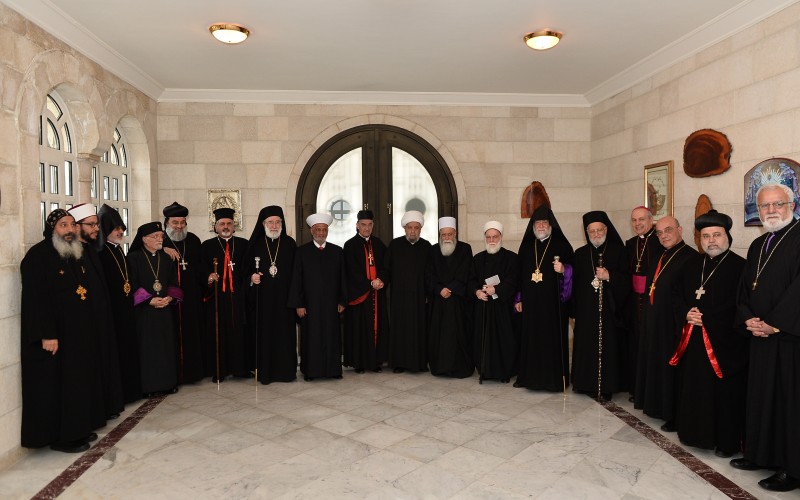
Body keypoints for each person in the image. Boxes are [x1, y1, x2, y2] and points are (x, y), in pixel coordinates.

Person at [731, 183, 800, 492]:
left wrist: (775, 324)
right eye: (764, 206)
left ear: (792, 204)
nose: (771, 211)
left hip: (789, 339)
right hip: (760, 337)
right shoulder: (759, 245)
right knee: (761, 398)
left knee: (788, 404)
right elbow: (745, 289)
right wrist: (748, 318)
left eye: (777, 204)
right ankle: (760, 453)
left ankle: (792, 468)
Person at [21, 209, 107, 453]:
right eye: (63, 225)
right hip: (55, 337)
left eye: (71, 224)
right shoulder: (38, 256)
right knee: (59, 387)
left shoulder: (74, 253)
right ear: (52, 229)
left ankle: (77, 428)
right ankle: (62, 437)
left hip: (78, 335)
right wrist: (47, 334)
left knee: (77, 384)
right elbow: (35, 301)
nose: (69, 230)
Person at [669, 210, 746, 457]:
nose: (711, 240)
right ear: (699, 239)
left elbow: (740, 304)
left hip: (724, 344)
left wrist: (707, 318)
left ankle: (725, 442)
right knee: (694, 388)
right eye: (706, 236)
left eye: (716, 235)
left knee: (723, 394)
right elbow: (676, 295)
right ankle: (693, 434)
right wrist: (686, 313)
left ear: (727, 237)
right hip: (693, 340)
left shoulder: (740, 267)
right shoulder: (691, 264)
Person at [635, 215, 695, 431]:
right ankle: (656, 406)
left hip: (673, 326)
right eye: (659, 233)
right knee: (655, 364)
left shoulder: (690, 258)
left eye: (668, 230)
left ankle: (673, 413)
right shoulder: (661, 255)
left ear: (679, 229)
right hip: (654, 322)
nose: (663, 236)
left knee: (671, 371)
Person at [68, 203, 124, 419]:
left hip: (101, 319)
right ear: (77, 226)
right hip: (85, 322)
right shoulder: (71, 253)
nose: (96, 229)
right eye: (91, 225)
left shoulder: (92, 250)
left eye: (97, 225)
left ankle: (106, 407)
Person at [570, 211, 630, 400]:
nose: (596, 234)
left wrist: (610, 276)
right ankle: (584, 383)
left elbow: (627, 281)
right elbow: (573, 284)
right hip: (586, 310)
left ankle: (606, 386)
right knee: (585, 344)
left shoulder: (619, 251)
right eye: (592, 231)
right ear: (587, 233)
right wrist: (573, 311)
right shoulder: (580, 254)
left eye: (599, 230)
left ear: (606, 229)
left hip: (610, 311)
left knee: (608, 347)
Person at [515, 205, 574, 391]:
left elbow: (574, 272)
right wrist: (518, 298)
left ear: (551, 225)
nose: (541, 226)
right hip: (531, 305)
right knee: (529, 339)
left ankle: (555, 380)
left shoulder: (562, 246)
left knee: (552, 341)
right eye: (537, 222)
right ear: (533, 225)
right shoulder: (525, 247)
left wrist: (564, 270)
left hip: (553, 305)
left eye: (544, 223)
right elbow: (519, 277)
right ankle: (527, 378)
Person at [288, 213, 346, 381]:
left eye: (324, 229)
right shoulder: (301, 252)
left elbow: (343, 278)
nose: (321, 233)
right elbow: (296, 280)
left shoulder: (337, 251)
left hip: (331, 305)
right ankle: (311, 371)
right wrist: (298, 304)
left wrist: (343, 300)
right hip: (309, 305)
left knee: (332, 336)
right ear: (311, 231)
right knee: (311, 338)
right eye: (318, 229)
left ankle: (334, 370)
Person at [128, 222, 183, 397]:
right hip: (146, 312)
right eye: (156, 236)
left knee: (167, 346)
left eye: (161, 236)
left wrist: (170, 297)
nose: (160, 239)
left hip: (165, 310)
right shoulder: (133, 258)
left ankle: (169, 382)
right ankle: (150, 386)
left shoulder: (166, 258)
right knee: (148, 348)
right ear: (144, 239)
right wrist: (149, 300)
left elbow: (174, 282)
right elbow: (131, 284)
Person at [245, 206, 298, 384]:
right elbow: (245, 272)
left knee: (285, 336)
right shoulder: (255, 244)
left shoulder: (290, 244)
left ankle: (286, 373)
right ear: (263, 224)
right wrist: (252, 277)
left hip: (285, 301)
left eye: (278, 222)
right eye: (270, 222)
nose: (274, 226)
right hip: (263, 301)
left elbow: (297, 274)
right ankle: (265, 373)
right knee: (265, 335)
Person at [97, 203, 141, 404]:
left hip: (126, 310)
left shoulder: (118, 250)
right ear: (106, 230)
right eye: (116, 229)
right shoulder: (99, 253)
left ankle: (130, 392)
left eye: (122, 228)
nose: (120, 232)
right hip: (112, 312)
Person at [201, 207, 249, 381]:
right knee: (218, 333)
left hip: (238, 297)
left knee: (239, 332)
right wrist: (209, 276)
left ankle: (240, 369)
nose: (226, 226)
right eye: (222, 224)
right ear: (216, 227)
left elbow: (248, 268)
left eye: (229, 223)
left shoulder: (244, 244)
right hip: (217, 299)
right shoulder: (207, 246)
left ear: (234, 226)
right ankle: (219, 370)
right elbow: (200, 269)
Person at [469, 220, 519, 383]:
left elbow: (514, 280)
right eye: (489, 237)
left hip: (502, 309)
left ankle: (504, 371)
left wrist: (496, 290)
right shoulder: (477, 259)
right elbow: (470, 279)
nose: (492, 240)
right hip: (483, 307)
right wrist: (477, 291)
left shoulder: (511, 258)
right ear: (485, 238)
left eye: (495, 237)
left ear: (501, 237)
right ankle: (484, 370)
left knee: (503, 340)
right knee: (482, 340)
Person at [161, 202, 205, 384]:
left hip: (191, 297)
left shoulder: (194, 240)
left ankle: (192, 373)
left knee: (191, 335)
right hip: (168, 299)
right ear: (166, 223)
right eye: (175, 222)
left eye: (182, 222)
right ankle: (172, 375)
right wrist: (162, 249)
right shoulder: (160, 241)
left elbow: (201, 267)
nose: (179, 226)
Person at [382, 211, 431, 373]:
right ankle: (399, 363)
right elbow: (386, 269)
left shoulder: (426, 247)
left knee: (418, 329)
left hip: (419, 297)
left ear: (420, 229)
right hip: (399, 297)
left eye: (416, 228)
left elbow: (430, 274)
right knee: (400, 329)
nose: (412, 231)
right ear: (404, 228)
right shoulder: (395, 245)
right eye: (409, 227)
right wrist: (381, 281)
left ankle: (418, 364)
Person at [426, 217, 474, 378]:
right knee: (439, 336)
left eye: (449, 234)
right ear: (440, 235)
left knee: (458, 334)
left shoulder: (465, 249)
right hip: (439, 301)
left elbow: (466, 273)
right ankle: (440, 367)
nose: (447, 238)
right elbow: (429, 275)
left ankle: (459, 368)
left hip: (457, 301)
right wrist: (439, 289)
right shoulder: (433, 251)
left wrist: (451, 289)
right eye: (444, 235)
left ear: (456, 234)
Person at [623, 206, 662, 400]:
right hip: (633, 302)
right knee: (635, 344)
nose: (638, 224)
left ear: (651, 220)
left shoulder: (660, 241)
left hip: (651, 301)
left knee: (649, 344)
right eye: (634, 220)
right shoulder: (629, 244)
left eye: (641, 220)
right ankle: (635, 388)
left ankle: (649, 390)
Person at [343, 210, 388, 373]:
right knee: (360, 329)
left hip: (377, 293)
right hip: (360, 294)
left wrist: (381, 279)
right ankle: (360, 363)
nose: (366, 228)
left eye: (369, 225)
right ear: (357, 225)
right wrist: (369, 283)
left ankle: (376, 362)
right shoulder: (350, 245)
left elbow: (386, 266)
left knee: (377, 327)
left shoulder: (378, 244)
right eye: (363, 224)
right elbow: (351, 270)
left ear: (373, 226)